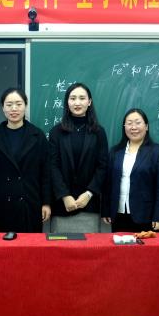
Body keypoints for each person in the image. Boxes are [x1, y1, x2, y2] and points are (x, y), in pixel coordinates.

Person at [0, 88, 51, 232]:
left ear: (25, 106)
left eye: (18, 104)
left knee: (31, 245)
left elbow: (46, 173)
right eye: (9, 104)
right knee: (3, 245)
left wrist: (46, 203)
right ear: (3, 107)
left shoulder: (38, 136)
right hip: (1, 204)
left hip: (30, 203)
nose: (14, 109)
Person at [49, 83, 108, 233]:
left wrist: (89, 194)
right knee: (60, 247)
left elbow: (102, 166)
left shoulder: (98, 132)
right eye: (73, 98)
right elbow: (53, 166)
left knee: (90, 247)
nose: (77, 102)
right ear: (67, 102)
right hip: (62, 206)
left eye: (82, 98)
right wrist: (64, 195)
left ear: (89, 102)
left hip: (89, 205)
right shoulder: (56, 132)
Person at [102, 109, 159, 233]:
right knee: (120, 246)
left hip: (146, 216)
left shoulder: (158, 152)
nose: (133, 127)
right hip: (118, 214)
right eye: (129, 123)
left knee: (146, 247)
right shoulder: (115, 152)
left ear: (146, 126)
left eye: (138, 123)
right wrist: (106, 210)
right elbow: (108, 184)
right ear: (124, 127)